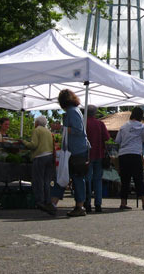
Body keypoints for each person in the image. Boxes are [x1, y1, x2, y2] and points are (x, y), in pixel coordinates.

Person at [50, 89, 90, 217]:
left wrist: (60, 128)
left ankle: (78, 206)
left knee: (73, 177)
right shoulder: (73, 111)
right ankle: (54, 203)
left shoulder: (72, 112)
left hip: (76, 150)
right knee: (67, 175)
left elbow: (78, 130)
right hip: (75, 150)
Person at [115, 107, 144, 210]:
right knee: (138, 179)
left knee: (125, 179)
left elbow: (117, 140)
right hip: (135, 154)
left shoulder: (123, 126)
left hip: (123, 154)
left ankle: (123, 203)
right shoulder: (141, 126)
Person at [22, 116, 54, 213]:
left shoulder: (37, 130)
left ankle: (40, 201)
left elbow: (33, 145)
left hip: (40, 156)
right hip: (50, 156)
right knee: (47, 181)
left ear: (36, 123)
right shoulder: (48, 131)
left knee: (39, 180)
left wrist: (23, 142)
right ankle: (48, 201)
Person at [84, 104, 110, 213]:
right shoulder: (100, 124)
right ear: (95, 113)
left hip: (87, 155)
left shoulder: (84, 123)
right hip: (99, 154)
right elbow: (107, 137)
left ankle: (87, 203)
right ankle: (98, 204)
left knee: (87, 179)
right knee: (98, 180)